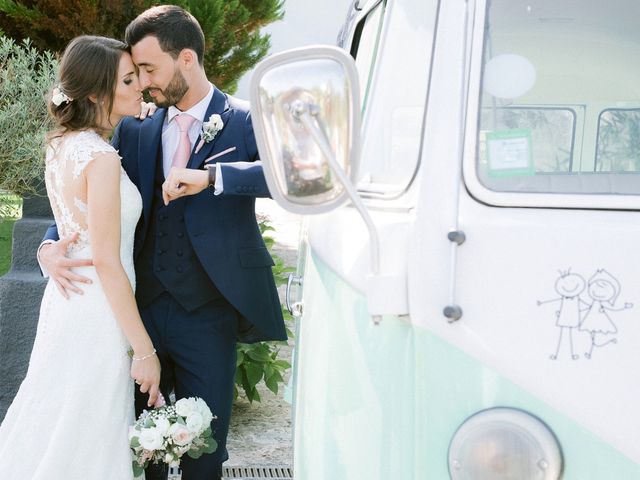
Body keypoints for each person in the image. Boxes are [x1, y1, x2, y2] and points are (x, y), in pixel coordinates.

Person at [39, 5, 287, 480]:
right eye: (135, 73)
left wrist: (214, 175)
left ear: (187, 59)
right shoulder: (135, 125)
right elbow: (92, 203)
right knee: (141, 448)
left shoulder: (243, 119)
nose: (144, 82)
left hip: (208, 313)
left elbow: (288, 176)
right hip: (137, 312)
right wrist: (50, 244)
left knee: (204, 452)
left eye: (149, 69)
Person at [0, 36, 162, 479]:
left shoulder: (62, 144)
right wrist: (145, 350)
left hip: (70, 302)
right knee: (88, 431)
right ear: (95, 94)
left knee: (59, 418)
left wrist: (48, 249)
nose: (140, 87)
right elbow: (108, 262)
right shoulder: (102, 159)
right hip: (99, 311)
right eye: (128, 80)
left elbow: (74, 229)